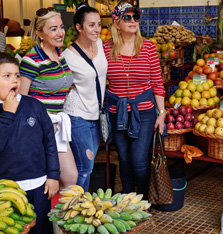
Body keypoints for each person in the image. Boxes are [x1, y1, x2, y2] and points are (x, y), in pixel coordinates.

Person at [0, 52, 59, 234]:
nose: (15, 81)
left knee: (42, 229)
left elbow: (49, 142)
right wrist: (8, 114)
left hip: (39, 185)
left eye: (17, 75)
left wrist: (53, 175)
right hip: (4, 191)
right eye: (7, 76)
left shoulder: (35, 106)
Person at [103, 2, 166, 197]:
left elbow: (157, 82)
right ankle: (129, 201)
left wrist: (161, 113)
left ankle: (144, 200)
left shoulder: (148, 47)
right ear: (116, 23)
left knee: (138, 159)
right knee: (123, 158)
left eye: (135, 17)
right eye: (127, 17)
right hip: (117, 112)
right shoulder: (105, 49)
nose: (133, 21)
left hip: (145, 111)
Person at [18, 7, 77, 191]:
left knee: (70, 177)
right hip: (41, 128)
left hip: (58, 124)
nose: (60, 33)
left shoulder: (59, 54)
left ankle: (56, 219)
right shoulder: (32, 59)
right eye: (53, 29)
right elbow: (21, 99)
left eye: (61, 27)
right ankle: (49, 219)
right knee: (53, 180)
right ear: (40, 33)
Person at [62, 3, 107, 192]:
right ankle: (74, 208)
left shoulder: (100, 44)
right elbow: (59, 82)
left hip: (96, 114)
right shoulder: (67, 56)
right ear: (79, 28)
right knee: (84, 167)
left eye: (98, 24)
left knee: (88, 166)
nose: (97, 29)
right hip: (77, 115)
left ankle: (78, 205)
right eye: (91, 25)